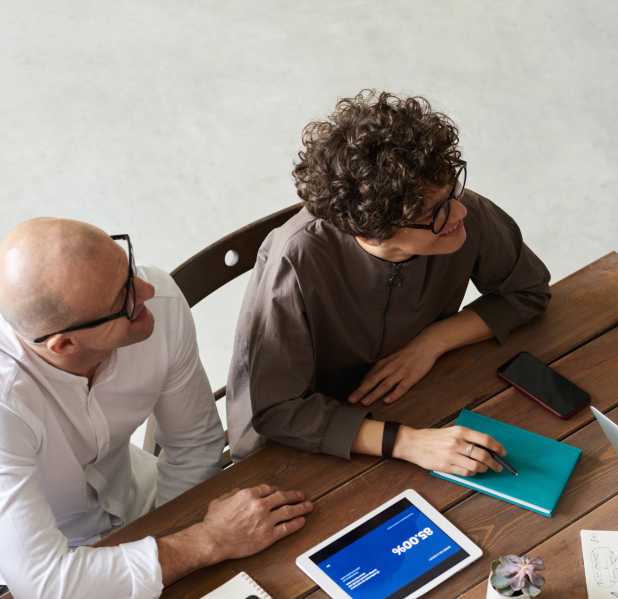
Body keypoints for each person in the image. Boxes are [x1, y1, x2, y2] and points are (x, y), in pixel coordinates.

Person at [227, 90, 551, 475]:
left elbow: (528, 290)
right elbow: (277, 410)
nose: (460, 212)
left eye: (452, 191)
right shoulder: (295, 260)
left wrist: (433, 341)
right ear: (372, 232)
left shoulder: (464, 213)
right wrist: (407, 442)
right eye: (434, 213)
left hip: (413, 398)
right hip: (305, 440)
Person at [0, 218, 313, 599]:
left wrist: (181, 545)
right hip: (34, 560)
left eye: (128, 269)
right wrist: (208, 541)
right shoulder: (6, 406)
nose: (146, 290)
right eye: (123, 301)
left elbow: (195, 445)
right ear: (64, 345)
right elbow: (45, 583)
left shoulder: (158, 302)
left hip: (146, 499)